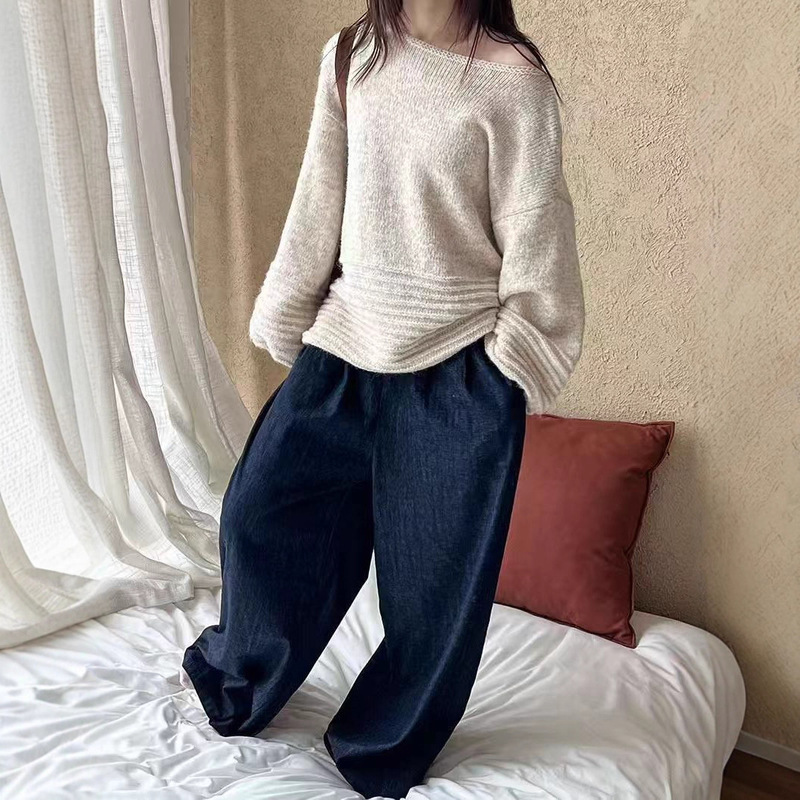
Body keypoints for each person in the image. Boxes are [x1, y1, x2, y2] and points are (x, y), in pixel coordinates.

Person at [182, 1, 585, 797]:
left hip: (458, 369)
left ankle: (383, 745)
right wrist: (289, 316)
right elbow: (318, 197)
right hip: (346, 347)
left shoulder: (515, 81)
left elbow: (541, 235)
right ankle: (243, 679)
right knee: (257, 514)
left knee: (432, 588)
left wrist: (510, 364)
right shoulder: (351, 56)